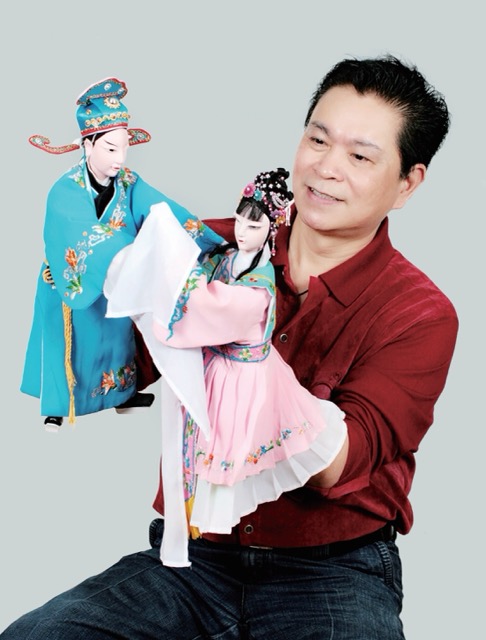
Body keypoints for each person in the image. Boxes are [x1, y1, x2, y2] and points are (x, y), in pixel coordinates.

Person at [3, 55, 458, 638]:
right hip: (189, 561)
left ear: (407, 183)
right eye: (318, 139)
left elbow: (338, 464)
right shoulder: (209, 246)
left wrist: (243, 344)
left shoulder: (419, 313)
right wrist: (99, 239)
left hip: (334, 573)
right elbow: (127, 357)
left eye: (361, 156)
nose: (326, 168)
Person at [104, 168, 346, 566]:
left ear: (271, 230)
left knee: (226, 451)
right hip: (218, 369)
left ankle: (208, 528)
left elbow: (205, 309)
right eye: (240, 222)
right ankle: (193, 528)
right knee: (200, 446)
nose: (243, 232)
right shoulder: (229, 258)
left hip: (243, 378)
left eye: (254, 225)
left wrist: (172, 282)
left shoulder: (257, 289)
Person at [20, 77, 222, 431]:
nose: (120, 159)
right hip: (73, 282)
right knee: (69, 348)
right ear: (88, 145)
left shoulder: (129, 183)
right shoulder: (64, 190)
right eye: (111, 149)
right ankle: (59, 407)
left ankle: (121, 395)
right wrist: (134, 256)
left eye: (124, 149)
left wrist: (210, 242)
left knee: (115, 342)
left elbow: (163, 211)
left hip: (120, 281)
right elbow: (79, 233)